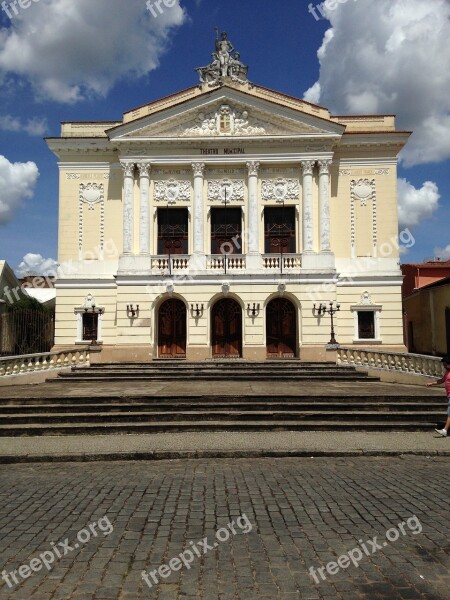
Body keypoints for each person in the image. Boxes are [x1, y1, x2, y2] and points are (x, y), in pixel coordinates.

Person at [426, 355, 450, 436]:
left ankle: (445, 430)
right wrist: (432, 383)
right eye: (444, 365)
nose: (444, 366)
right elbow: (442, 380)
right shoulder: (447, 372)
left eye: (445, 364)